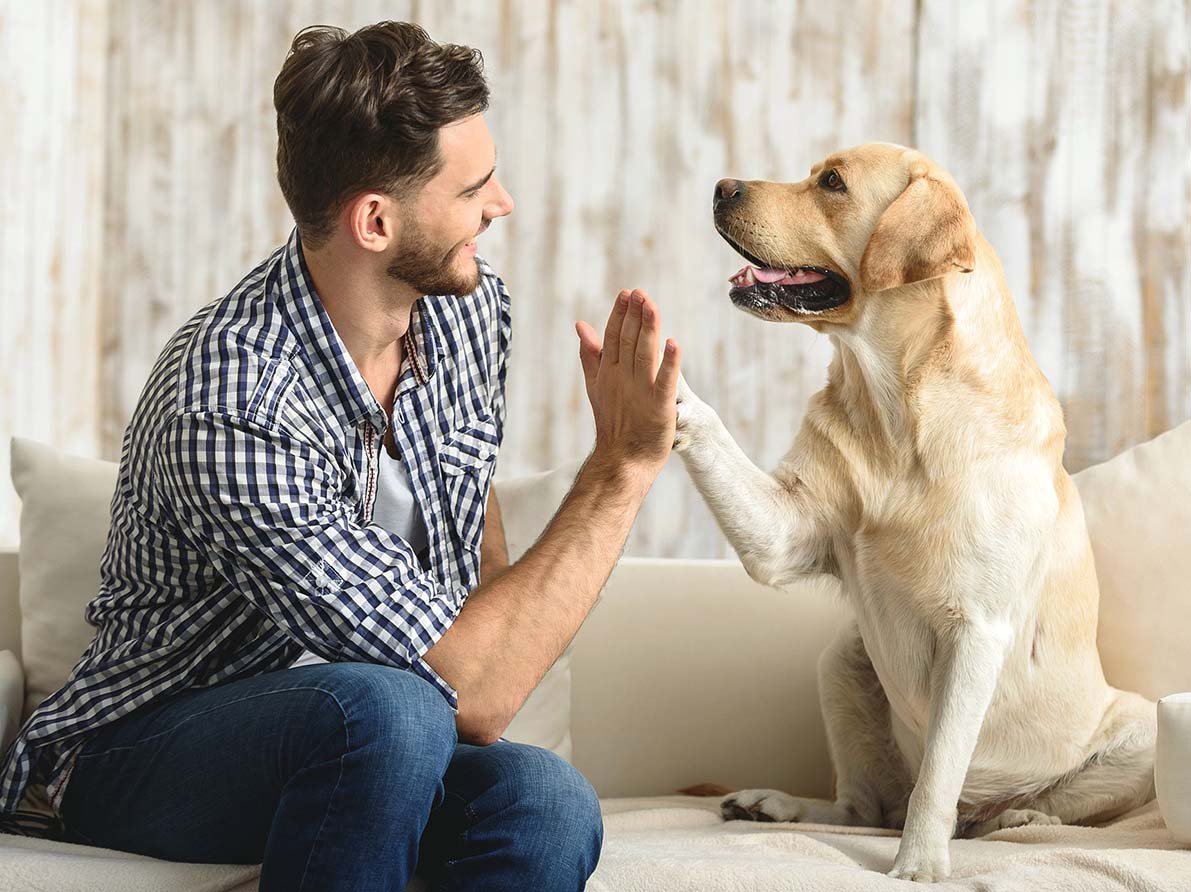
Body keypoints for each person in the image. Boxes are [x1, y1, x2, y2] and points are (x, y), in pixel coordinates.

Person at [0, 20, 681, 892]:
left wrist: (485, 669)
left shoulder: (468, 312)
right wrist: (620, 468)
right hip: (140, 749)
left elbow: (472, 537)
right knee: (386, 708)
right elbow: (466, 689)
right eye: (473, 186)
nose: (501, 203)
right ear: (374, 221)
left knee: (543, 800)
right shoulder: (233, 395)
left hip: (382, 733)